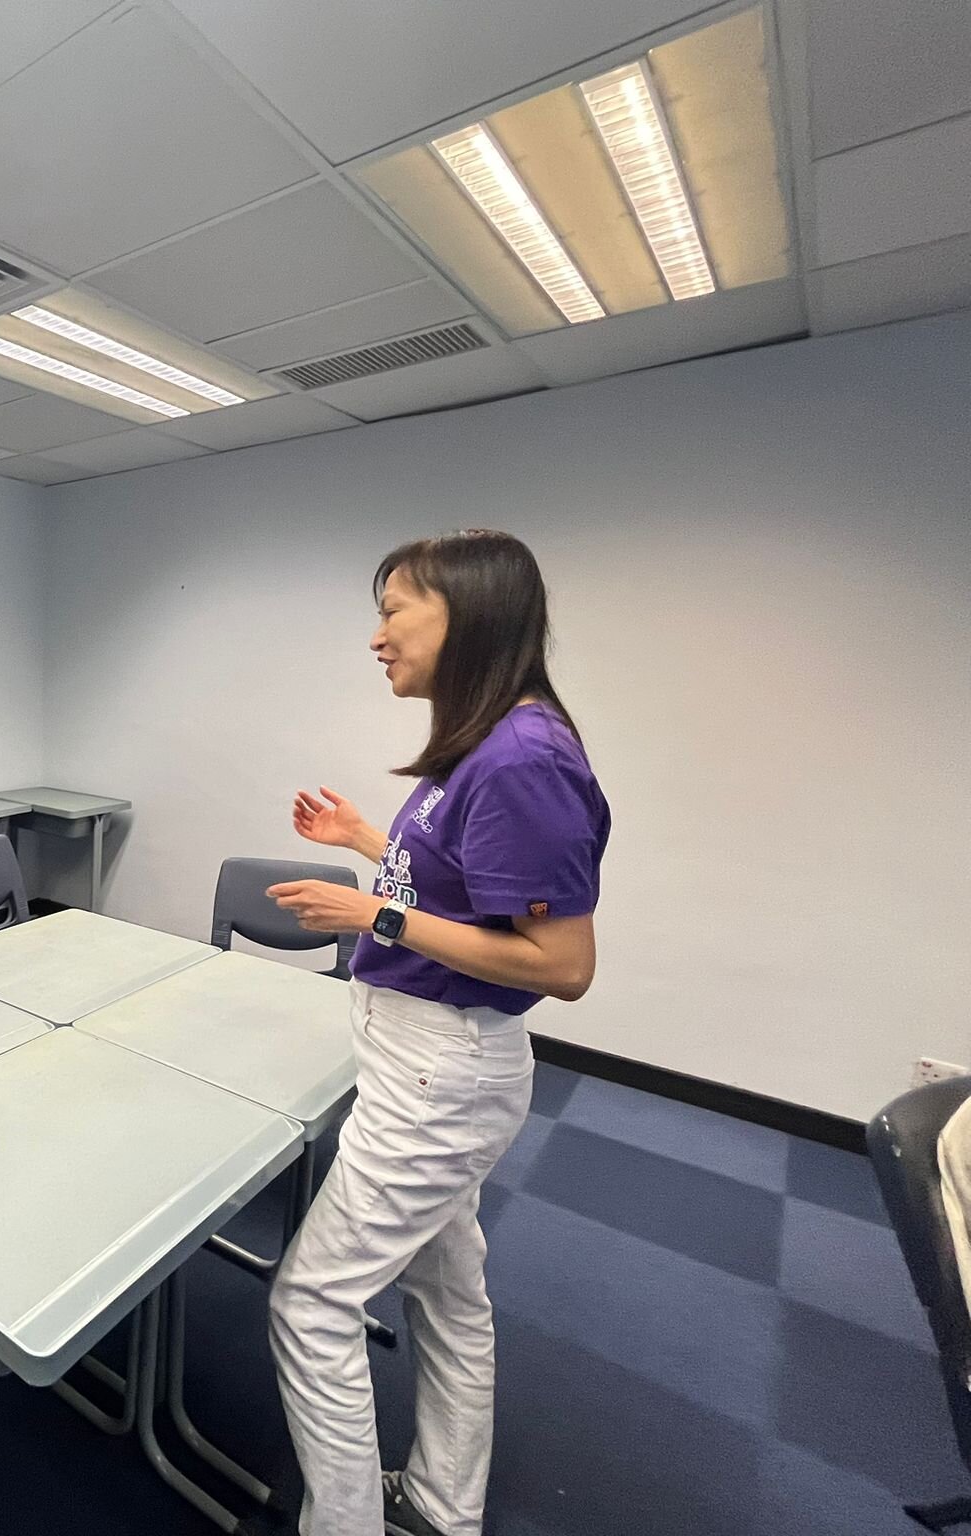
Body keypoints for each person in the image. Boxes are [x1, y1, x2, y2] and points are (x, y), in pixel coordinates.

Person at [264, 530, 610, 1536]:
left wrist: (366, 912)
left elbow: (562, 966)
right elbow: (462, 886)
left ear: (467, 616)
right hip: (427, 1063)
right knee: (449, 1296)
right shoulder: (483, 743)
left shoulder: (520, 757)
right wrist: (365, 842)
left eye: (392, 610)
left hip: (440, 1076)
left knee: (311, 1307)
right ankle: (441, 1508)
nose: (376, 637)